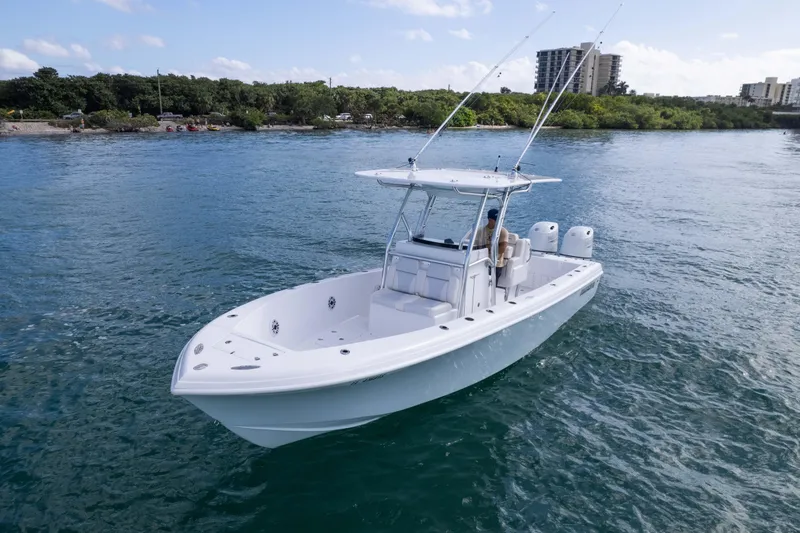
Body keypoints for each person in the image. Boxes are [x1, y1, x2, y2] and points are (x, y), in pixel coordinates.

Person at [474, 208, 509, 284]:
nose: (498, 222)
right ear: (490, 220)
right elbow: (476, 246)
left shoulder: (503, 231)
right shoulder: (480, 231)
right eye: (496, 220)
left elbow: (502, 249)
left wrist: (486, 249)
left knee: (490, 285)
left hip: (496, 264)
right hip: (482, 261)